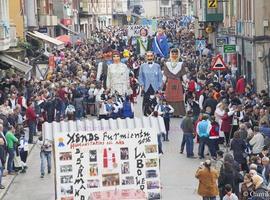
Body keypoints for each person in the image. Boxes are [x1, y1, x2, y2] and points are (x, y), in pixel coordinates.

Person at [163, 48, 188, 117]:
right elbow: (165, 76)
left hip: (178, 82)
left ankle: (178, 113)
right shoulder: (167, 64)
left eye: (176, 54)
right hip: (170, 82)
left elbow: (184, 75)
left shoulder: (181, 64)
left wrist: (186, 81)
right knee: (169, 97)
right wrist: (162, 83)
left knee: (179, 97)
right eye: (173, 54)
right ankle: (169, 112)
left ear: (178, 55)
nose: (174, 55)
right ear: (170, 54)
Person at [138, 51, 163, 116]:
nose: (149, 57)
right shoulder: (142, 66)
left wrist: (160, 87)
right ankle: (146, 114)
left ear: (153, 57)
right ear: (145, 57)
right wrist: (142, 85)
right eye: (148, 56)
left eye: (151, 56)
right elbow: (140, 77)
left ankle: (156, 114)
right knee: (146, 102)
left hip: (155, 87)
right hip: (146, 87)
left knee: (155, 102)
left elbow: (160, 77)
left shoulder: (157, 66)